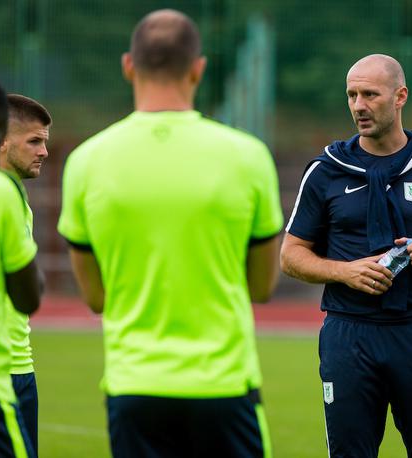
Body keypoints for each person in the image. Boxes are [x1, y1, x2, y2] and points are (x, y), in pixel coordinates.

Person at [57, 9, 283, 457]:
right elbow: (261, 287)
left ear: (128, 65)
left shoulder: (86, 161)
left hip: (133, 385)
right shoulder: (248, 156)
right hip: (224, 385)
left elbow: (96, 297)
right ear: (198, 69)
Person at [281, 54, 412, 457]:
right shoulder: (327, 169)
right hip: (349, 335)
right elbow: (291, 255)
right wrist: (344, 271)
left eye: (370, 94)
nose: (358, 106)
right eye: (351, 95)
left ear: (400, 96)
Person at [0, 93, 52, 454]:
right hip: (5, 372)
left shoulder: (16, 197)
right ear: (2, 140)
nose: (44, 152)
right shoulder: (4, 198)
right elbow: (30, 293)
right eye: (34, 141)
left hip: (16, 366)